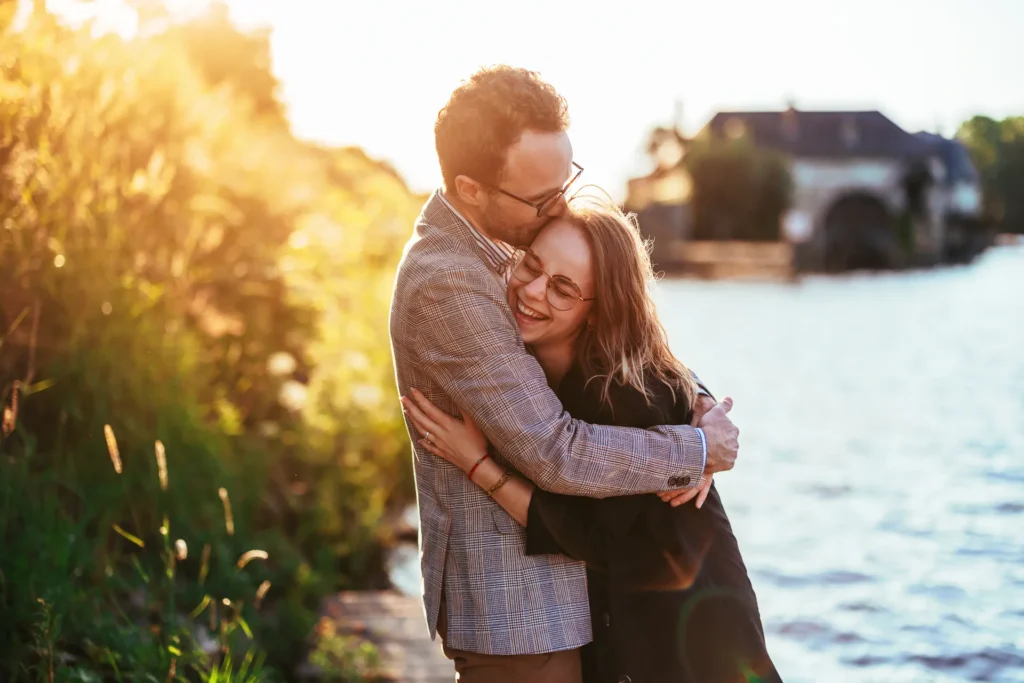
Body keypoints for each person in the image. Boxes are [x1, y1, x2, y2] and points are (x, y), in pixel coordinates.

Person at [388, 65, 739, 682]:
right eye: (540, 196)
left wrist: (695, 401)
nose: (560, 204)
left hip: (559, 601)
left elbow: (620, 330)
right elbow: (555, 449)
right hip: (516, 610)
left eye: (565, 180)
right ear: (470, 188)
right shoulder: (450, 280)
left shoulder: (505, 243)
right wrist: (696, 448)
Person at [402, 199, 781, 682]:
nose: (532, 291)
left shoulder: (621, 394)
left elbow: (588, 534)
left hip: (693, 640)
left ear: (599, 311)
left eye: (562, 288)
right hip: (638, 627)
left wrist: (478, 465)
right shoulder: (537, 362)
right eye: (532, 265)